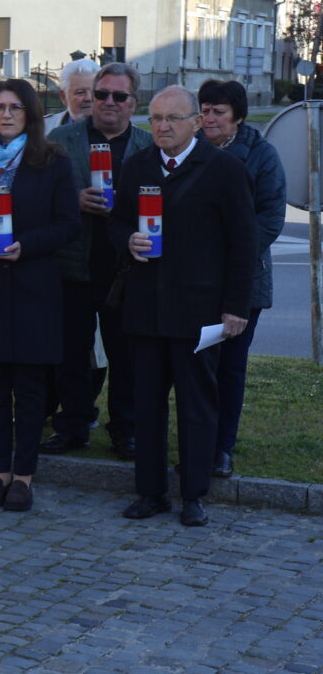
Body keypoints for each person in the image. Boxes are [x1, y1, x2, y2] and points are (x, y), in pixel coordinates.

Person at [111, 85, 257, 527]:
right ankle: (150, 491)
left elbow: (243, 244)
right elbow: (116, 223)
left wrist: (235, 307)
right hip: (146, 307)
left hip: (199, 311)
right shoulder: (137, 165)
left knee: (197, 405)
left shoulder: (224, 170)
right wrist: (127, 240)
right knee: (147, 403)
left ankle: (194, 493)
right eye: (156, 118)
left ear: (196, 122)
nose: (162, 127)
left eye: (173, 118)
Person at [0, 80, 80, 512]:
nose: (6, 115)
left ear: (30, 114)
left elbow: (69, 223)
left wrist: (29, 244)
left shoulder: (52, 160)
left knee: (29, 389)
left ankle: (23, 476)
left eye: (15, 107)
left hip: (33, 287)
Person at [42, 63, 153, 460]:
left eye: (119, 96)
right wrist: (72, 200)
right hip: (72, 263)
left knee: (126, 356)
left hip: (127, 268)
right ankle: (72, 425)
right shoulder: (60, 140)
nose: (108, 102)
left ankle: (126, 430)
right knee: (71, 352)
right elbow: (38, 193)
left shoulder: (148, 145)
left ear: (133, 103)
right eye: (101, 94)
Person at [197, 79, 285, 479]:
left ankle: (222, 449)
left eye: (219, 112)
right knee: (195, 368)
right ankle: (195, 443)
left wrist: (229, 258)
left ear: (238, 117)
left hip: (245, 280)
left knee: (230, 368)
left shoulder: (262, 156)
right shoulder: (189, 148)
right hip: (194, 280)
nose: (209, 119)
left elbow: (270, 219)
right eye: (204, 110)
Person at [45, 56, 98, 131]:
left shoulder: (115, 129)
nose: (89, 98)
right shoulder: (44, 129)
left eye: (94, 92)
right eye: (80, 92)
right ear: (64, 97)